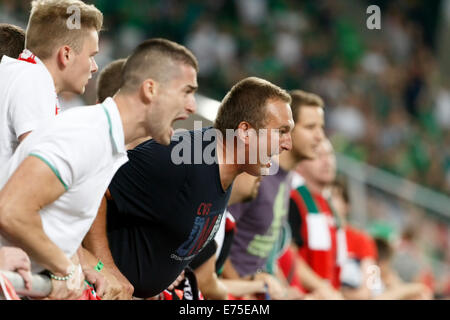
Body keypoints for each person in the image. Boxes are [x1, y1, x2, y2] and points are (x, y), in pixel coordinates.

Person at [0, 38, 198, 300]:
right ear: (150, 89)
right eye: (186, 91)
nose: (192, 106)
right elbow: (11, 210)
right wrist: (63, 267)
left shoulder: (105, 141)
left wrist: (83, 263)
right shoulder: (86, 135)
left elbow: (52, 216)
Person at [83, 76, 294, 298]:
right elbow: (93, 184)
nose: (287, 143)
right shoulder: (179, 159)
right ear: (244, 132)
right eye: (281, 131)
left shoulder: (223, 170)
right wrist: (103, 266)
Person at [221, 89, 325, 300]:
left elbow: (264, 250)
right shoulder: (255, 174)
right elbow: (217, 236)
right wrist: (246, 290)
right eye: (310, 127)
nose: (320, 136)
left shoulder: (285, 178)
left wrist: (285, 291)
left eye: (321, 127)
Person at [0, 0, 101, 166]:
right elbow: (40, 168)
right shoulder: (34, 78)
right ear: (66, 55)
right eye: (91, 55)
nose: (95, 67)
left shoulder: (22, 74)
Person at [287, 138, 344, 299]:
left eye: (330, 154)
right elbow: (289, 256)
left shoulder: (329, 206)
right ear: (299, 164)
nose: (327, 162)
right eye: (318, 155)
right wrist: (322, 288)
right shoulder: (294, 199)